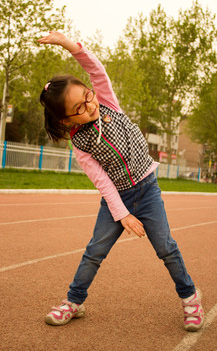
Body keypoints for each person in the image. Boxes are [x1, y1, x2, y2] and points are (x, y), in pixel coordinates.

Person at [38, 31, 204, 331]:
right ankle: (74, 302)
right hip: (118, 198)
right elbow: (102, 183)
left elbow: (96, 69)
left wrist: (67, 45)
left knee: (166, 247)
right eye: (79, 108)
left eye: (87, 96)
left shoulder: (108, 103)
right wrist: (122, 214)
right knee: (94, 251)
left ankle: (190, 298)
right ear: (66, 120)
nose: (89, 106)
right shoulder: (81, 143)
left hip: (148, 189)